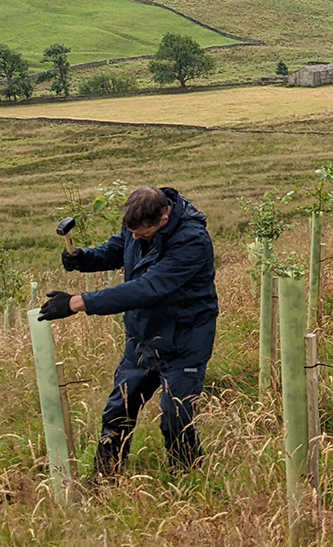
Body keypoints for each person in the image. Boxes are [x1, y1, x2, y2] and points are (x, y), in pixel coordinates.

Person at [39, 185, 218, 478]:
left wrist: (78, 302)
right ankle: (104, 479)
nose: (134, 237)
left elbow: (148, 288)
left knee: (175, 419)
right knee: (117, 412)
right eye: (130, 230)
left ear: (163, 218)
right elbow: (117, 249)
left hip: (186, 340)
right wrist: (84, 259)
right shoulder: (138, 227)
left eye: (141, 232)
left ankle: (189, 477)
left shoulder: (193, 241)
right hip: (143, 336)